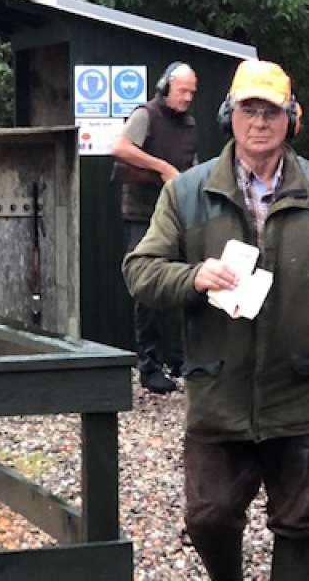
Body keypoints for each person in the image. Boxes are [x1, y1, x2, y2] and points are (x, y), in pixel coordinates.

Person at [122, 59, 309, 581]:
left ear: (291, 118)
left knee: (299, 523)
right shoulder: (186, 192)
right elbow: (140, 271)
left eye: (271, 111)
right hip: (217, 389)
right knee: (208, 517)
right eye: (249, 109)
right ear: (229, 115)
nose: (259, 122)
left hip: (300, 391)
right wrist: (193, 277)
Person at [112, 60, 199, 394]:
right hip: (143, 213)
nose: (187, 97)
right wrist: (161, 167)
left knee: (182, 284)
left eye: (192, 92)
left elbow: (190, 165)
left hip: (176, 214)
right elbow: (120, 148)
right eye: (182, 91)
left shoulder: (189, 124)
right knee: (148, 288)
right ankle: (148, 366)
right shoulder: (145, 115)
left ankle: (178, 358)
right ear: (165, 87)